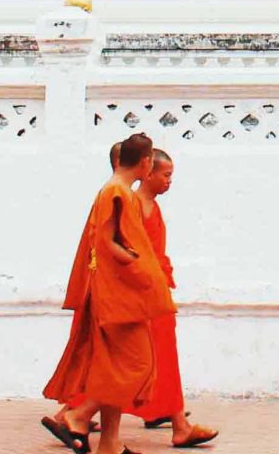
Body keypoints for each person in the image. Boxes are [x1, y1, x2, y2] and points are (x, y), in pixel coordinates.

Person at [41, 133, 174, 454]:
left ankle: (110, 445)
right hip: (118, 297)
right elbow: (107, 242)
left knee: (111, 369)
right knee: (137, 365)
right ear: (145, 163)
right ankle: (78, 414)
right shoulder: (115, 192)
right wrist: (138, 264)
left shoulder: (119, 191)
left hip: (120, 296)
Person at [130, 150, 219, 448]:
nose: (170, 181)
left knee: (147, 358)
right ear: (149, 172)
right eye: (166, 175)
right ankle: (179, 425)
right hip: (146, 294)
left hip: (154, 288)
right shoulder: (136, 205)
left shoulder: (147, 205)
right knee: (154, 357)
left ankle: (75, 412)